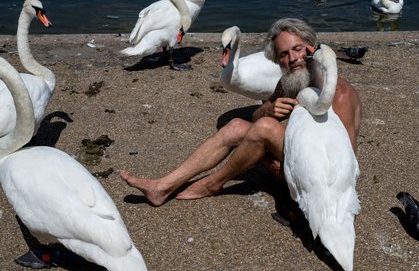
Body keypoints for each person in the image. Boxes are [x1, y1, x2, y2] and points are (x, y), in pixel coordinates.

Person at [120, 18, 362, 204]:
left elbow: (346, 167)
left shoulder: (338, 94)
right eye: (284, 55)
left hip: (320, 178)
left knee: (266, 129)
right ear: (277, 60)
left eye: (297, 49)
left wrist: (286, 166)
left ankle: (212, 184)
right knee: (238, 125)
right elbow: (255, 118)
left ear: (311, 46)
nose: (292, 59)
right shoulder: (292, 80)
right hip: (300, 159)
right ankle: (162, 186)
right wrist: (269, 108)